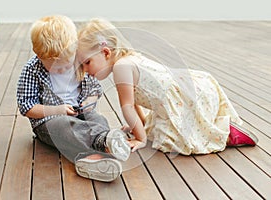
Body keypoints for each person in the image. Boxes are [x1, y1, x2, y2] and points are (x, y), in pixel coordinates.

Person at [76, 18, 258, 155]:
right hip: (188, 87)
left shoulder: (121, 68)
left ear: (106, 52)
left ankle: (227, 133)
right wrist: (143, 125)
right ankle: (219, 124)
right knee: (157, 131)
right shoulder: (128, 59)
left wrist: (140, 138)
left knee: (176, 142)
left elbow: (127, 107)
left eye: (87, 62)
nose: (84, 70)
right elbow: (134, 104)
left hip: (184, 97)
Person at [16, 15, 130, 182]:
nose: (63, 70)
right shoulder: (32, 70)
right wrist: (57, 110)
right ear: (39, 56)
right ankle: (104, 143)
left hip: (79, 114)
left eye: (67, 65)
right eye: (57, 67)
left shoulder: (80, 61)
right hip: (49, 121)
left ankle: (92, 158)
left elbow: (95, 89)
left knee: (96, 118)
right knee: (63, 126)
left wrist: (89, 102)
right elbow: (26, 106)